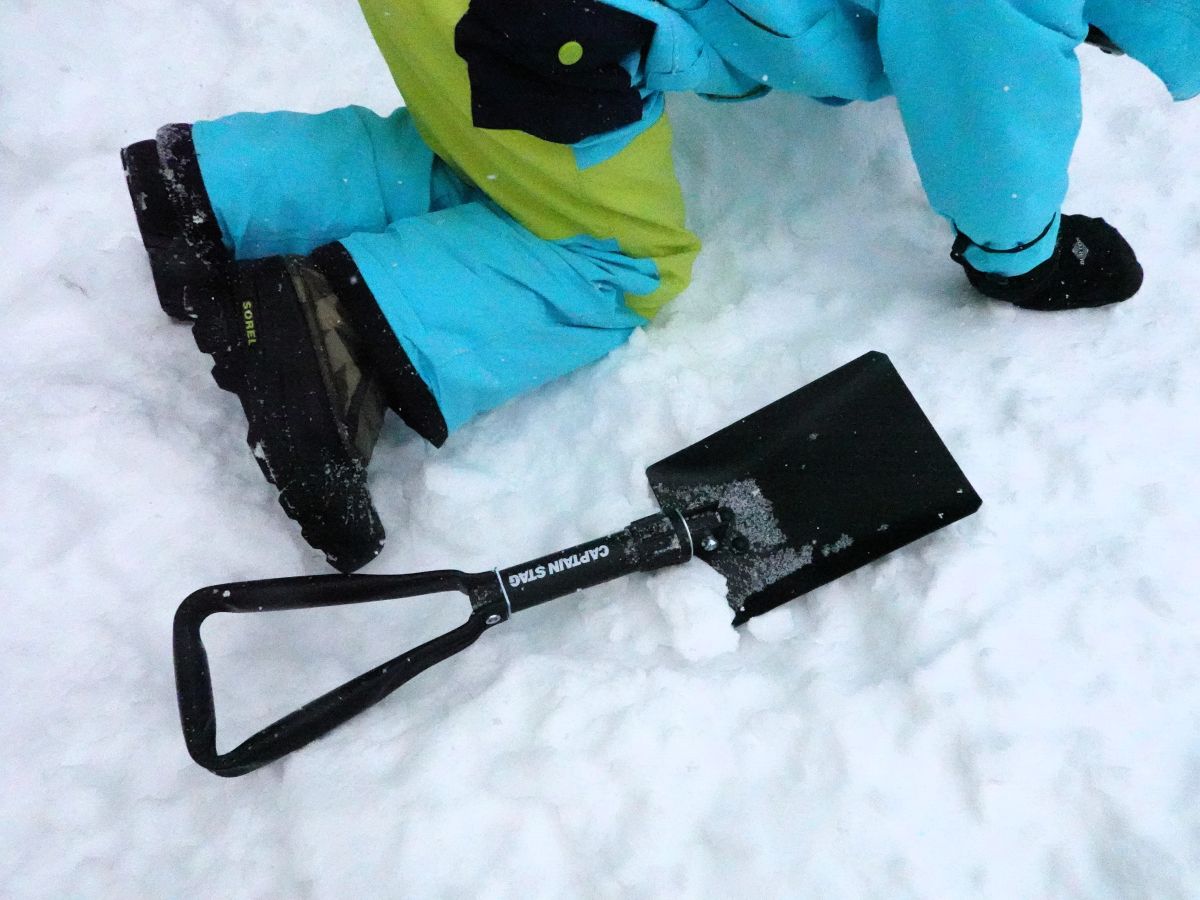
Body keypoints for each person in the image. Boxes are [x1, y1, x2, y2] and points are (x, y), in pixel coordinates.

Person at [121, 0, 1198, 571]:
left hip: (469, 14)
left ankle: (213, 190)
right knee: (617, 256)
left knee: (510, 155)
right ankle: (328, 332)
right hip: (535, 11)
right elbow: (990, 96)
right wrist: (1025, 253)